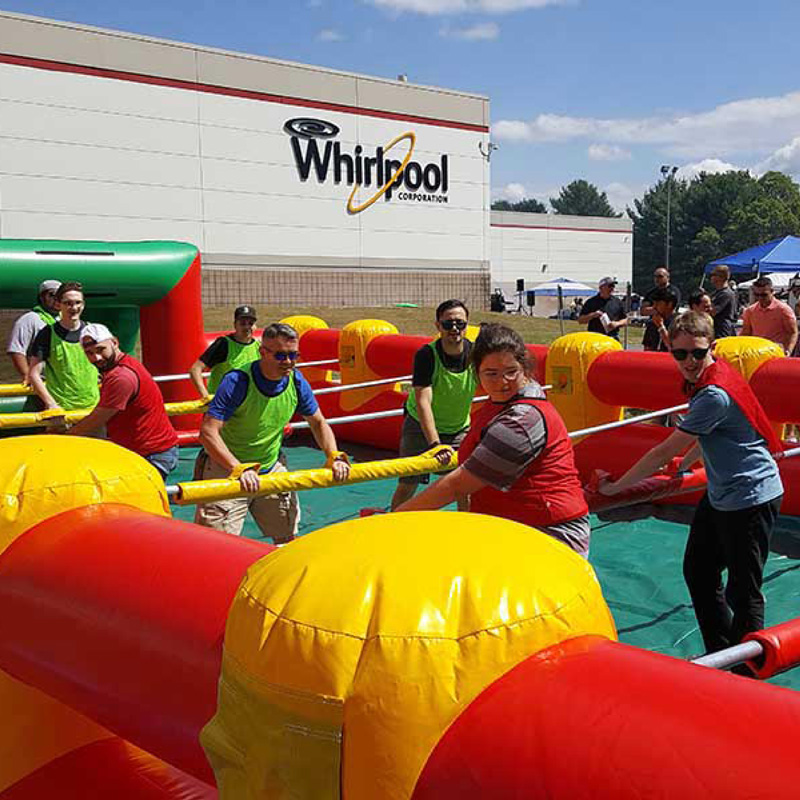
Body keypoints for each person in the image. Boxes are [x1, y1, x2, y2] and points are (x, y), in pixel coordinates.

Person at [599, 311, 783, 658]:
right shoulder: (716, 375)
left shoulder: (714, 393)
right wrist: (682, 466)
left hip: (750, 497)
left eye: (698, 353)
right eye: (680, 354)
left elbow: (663, 449)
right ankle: (722, 651)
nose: (690, 361)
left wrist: (615, 489)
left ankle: (747, 673)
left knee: (743, 592)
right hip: (722, 495)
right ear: (670, 351)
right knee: (699, 571)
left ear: (711, 347)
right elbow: (702, 437)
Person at [396, 323, 591, 557]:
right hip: (515, 525)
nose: (502, 382)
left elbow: (459, 484)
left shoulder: (522, 420)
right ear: (476, 373)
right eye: (491, 374)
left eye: (511, 371)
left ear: (525, 369)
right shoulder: (502, 403)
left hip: (549, 534)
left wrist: (395, 520)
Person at [194, 322, 350, 542]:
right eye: (280, 356)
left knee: (286, 539)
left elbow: (318, 423)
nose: (288, 362)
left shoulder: (296, 380)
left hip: (270, 466)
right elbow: (208, 432)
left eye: (293, 355)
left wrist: (333, 456)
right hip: (227, 469)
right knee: (215, 545)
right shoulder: (238, 381)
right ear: (263, 352)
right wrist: (237, 468)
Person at [390, 300, 477, 512]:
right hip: (421, 426)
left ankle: (466, 527)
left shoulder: (476, 354)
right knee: (408, 482)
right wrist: (434, 444)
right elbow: (422, 401)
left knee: (464, 484)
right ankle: (392, 524)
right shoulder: (426, 355)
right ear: (438, 326)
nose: (454, 329)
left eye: (460, 323)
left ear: (467, 324)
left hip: (458, 428)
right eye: (448, 324)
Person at [64, 323, 180, 479]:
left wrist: (65, 437)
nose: (96, 357)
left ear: (114, 342)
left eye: (100, 349)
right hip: (150, 450)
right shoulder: (123, 366)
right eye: (89, 353)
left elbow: (97, 420)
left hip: (150, 453)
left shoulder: (120, 377)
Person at [28, 281, 100, 412]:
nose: (74, 307)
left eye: (78, 302)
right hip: (61, 412)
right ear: (58, 304)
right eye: (68, 303)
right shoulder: (47, 334)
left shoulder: (94, 331)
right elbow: (34, 374)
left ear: (83, 305)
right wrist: (51, 404)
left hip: (93, 409)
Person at [189, 304, 260, 400]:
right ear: (235, 325)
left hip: (245, 406)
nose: (247, 327)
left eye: (250, 323)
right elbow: (195, 369)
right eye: (242, 323)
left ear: (255, 326)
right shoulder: (223, 344)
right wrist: (205, 396)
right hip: (221, 406)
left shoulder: (258, 346)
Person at [5, 279, 61, 384]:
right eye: (52, 295)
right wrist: (27, 375)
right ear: (41, 297)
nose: (57, 299)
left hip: (64, 383)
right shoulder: (30, 319)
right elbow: (16, 350)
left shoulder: (65, 320)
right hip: (42, 383)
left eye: (61, 295)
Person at [740, 276, 798, 355]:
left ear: (772, 291)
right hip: (756, 352)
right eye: (757, 295)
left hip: (776, 352)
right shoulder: (750, 311)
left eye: (764, 295)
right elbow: (745, 333)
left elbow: (792, 332)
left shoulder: (783, 310)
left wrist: (788, 351)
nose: (760, 298)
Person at [641, 267, 682, 351]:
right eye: (655, 276)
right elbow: (643, 310)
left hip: (669, 325)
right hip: (653, 325)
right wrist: (657, 310)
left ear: (667, 277)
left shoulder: (673, 292)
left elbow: (672, 309)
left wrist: (654, 310)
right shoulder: (651, 293)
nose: (657, 279)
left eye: (660, 276)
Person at [708, 265, 738, 339]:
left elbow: (713, 312)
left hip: (723, 331)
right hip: (715, 329)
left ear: (722, 277)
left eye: (714, 275)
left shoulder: (726, 293)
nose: (711, 277)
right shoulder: (716, 293)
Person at [645, 287, 678, 353]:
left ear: (669, 304)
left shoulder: (680, 323)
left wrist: (661, 327)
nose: (654, 307)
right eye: (653, 304)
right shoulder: (652, 323)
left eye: (658, 304)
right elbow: (647, 348)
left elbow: (674, 347)